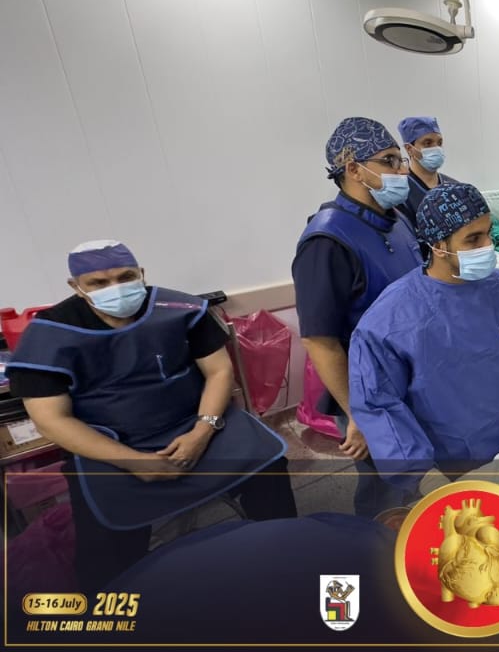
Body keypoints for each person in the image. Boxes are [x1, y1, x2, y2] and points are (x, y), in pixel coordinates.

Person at [6, 240, 296, 592]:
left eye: (126, 277)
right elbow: (51, 420)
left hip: (194, 423)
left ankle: (285, 555)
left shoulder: (180, 309)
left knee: (267, 466)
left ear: (141, 273)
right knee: (105, 543)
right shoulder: (50, 336)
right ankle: (116, 601)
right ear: (76, 286)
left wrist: (202, 430)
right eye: (99, 282)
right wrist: (132, 461)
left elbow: (219, 372)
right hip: (109, 445)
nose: (115, 288)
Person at [348, 184, 499, 490]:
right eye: (473, 239)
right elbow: (378, 405)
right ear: (438, 246)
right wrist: (423, 476)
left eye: (488, 233)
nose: (488, 246)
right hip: (442, 465)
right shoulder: (389, 322)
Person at [293, 116, 421, 518]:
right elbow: (320, 340)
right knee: (385, 492)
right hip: (371, 390)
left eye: (401, 160)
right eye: (389, 161)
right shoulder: (327, 240)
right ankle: (374, 550)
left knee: (410, 477)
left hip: (408, 377)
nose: (402, 171)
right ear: (353, 169)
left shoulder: (396, 219)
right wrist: (359, 414)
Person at [395, 115, 459, 224]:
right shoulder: (400, 192)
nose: (436, 148)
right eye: (428, 143)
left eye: (439, 143)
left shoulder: (454, 186)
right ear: (409, 149)